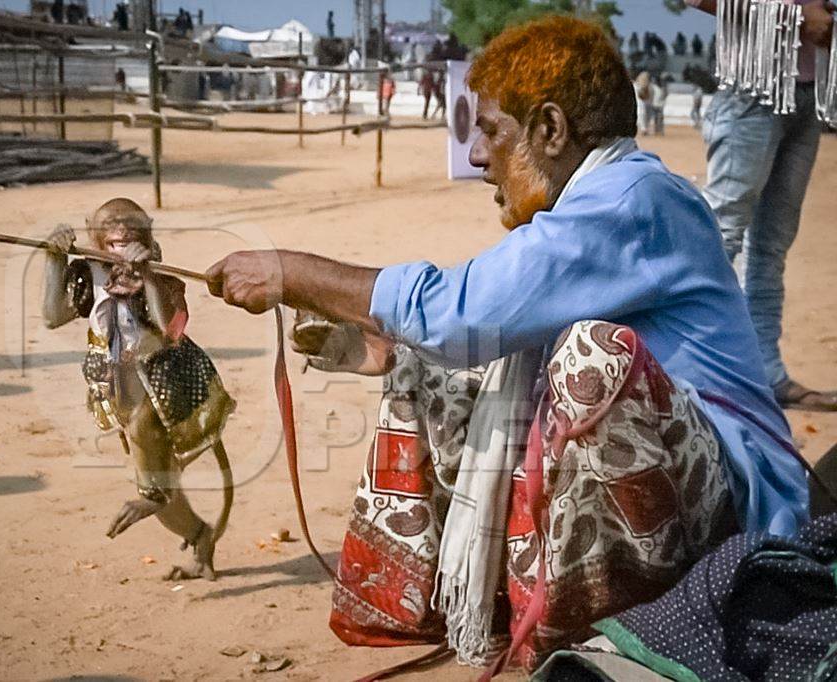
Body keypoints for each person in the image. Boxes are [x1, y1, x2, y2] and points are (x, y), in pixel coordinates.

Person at [204, 16, 808, 669]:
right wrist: (388, 348)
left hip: (746, 516)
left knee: (590, 357)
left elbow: (458, 314)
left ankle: (609, 628)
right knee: (434, 351)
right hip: (691, 487)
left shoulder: (632, 198)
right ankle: (449, 603)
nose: (476, 156)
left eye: (492, 131)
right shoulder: (604, 202)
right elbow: (468, 323)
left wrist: (289, 272)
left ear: (550, 129)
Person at [42, 198, 236, 580]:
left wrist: (146, 275)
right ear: (91, 230)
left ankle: (155, 498)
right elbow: (52, 316)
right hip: (119, 389)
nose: (122, 230)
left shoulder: (162, 277)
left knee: (151, 460)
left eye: (132, 225)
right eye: (111, 224)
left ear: (148, 233)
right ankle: (199, 537)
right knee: (164, 485)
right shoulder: (87, 275)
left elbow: (169, 330)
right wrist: (53, 259)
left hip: (167, 386)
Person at [688, 0, 837, 410]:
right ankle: (696, 374)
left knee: (771, 246)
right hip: (751, 90)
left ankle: (766, 375)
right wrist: (796, 16)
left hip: (806, 93)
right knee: (721, 235)